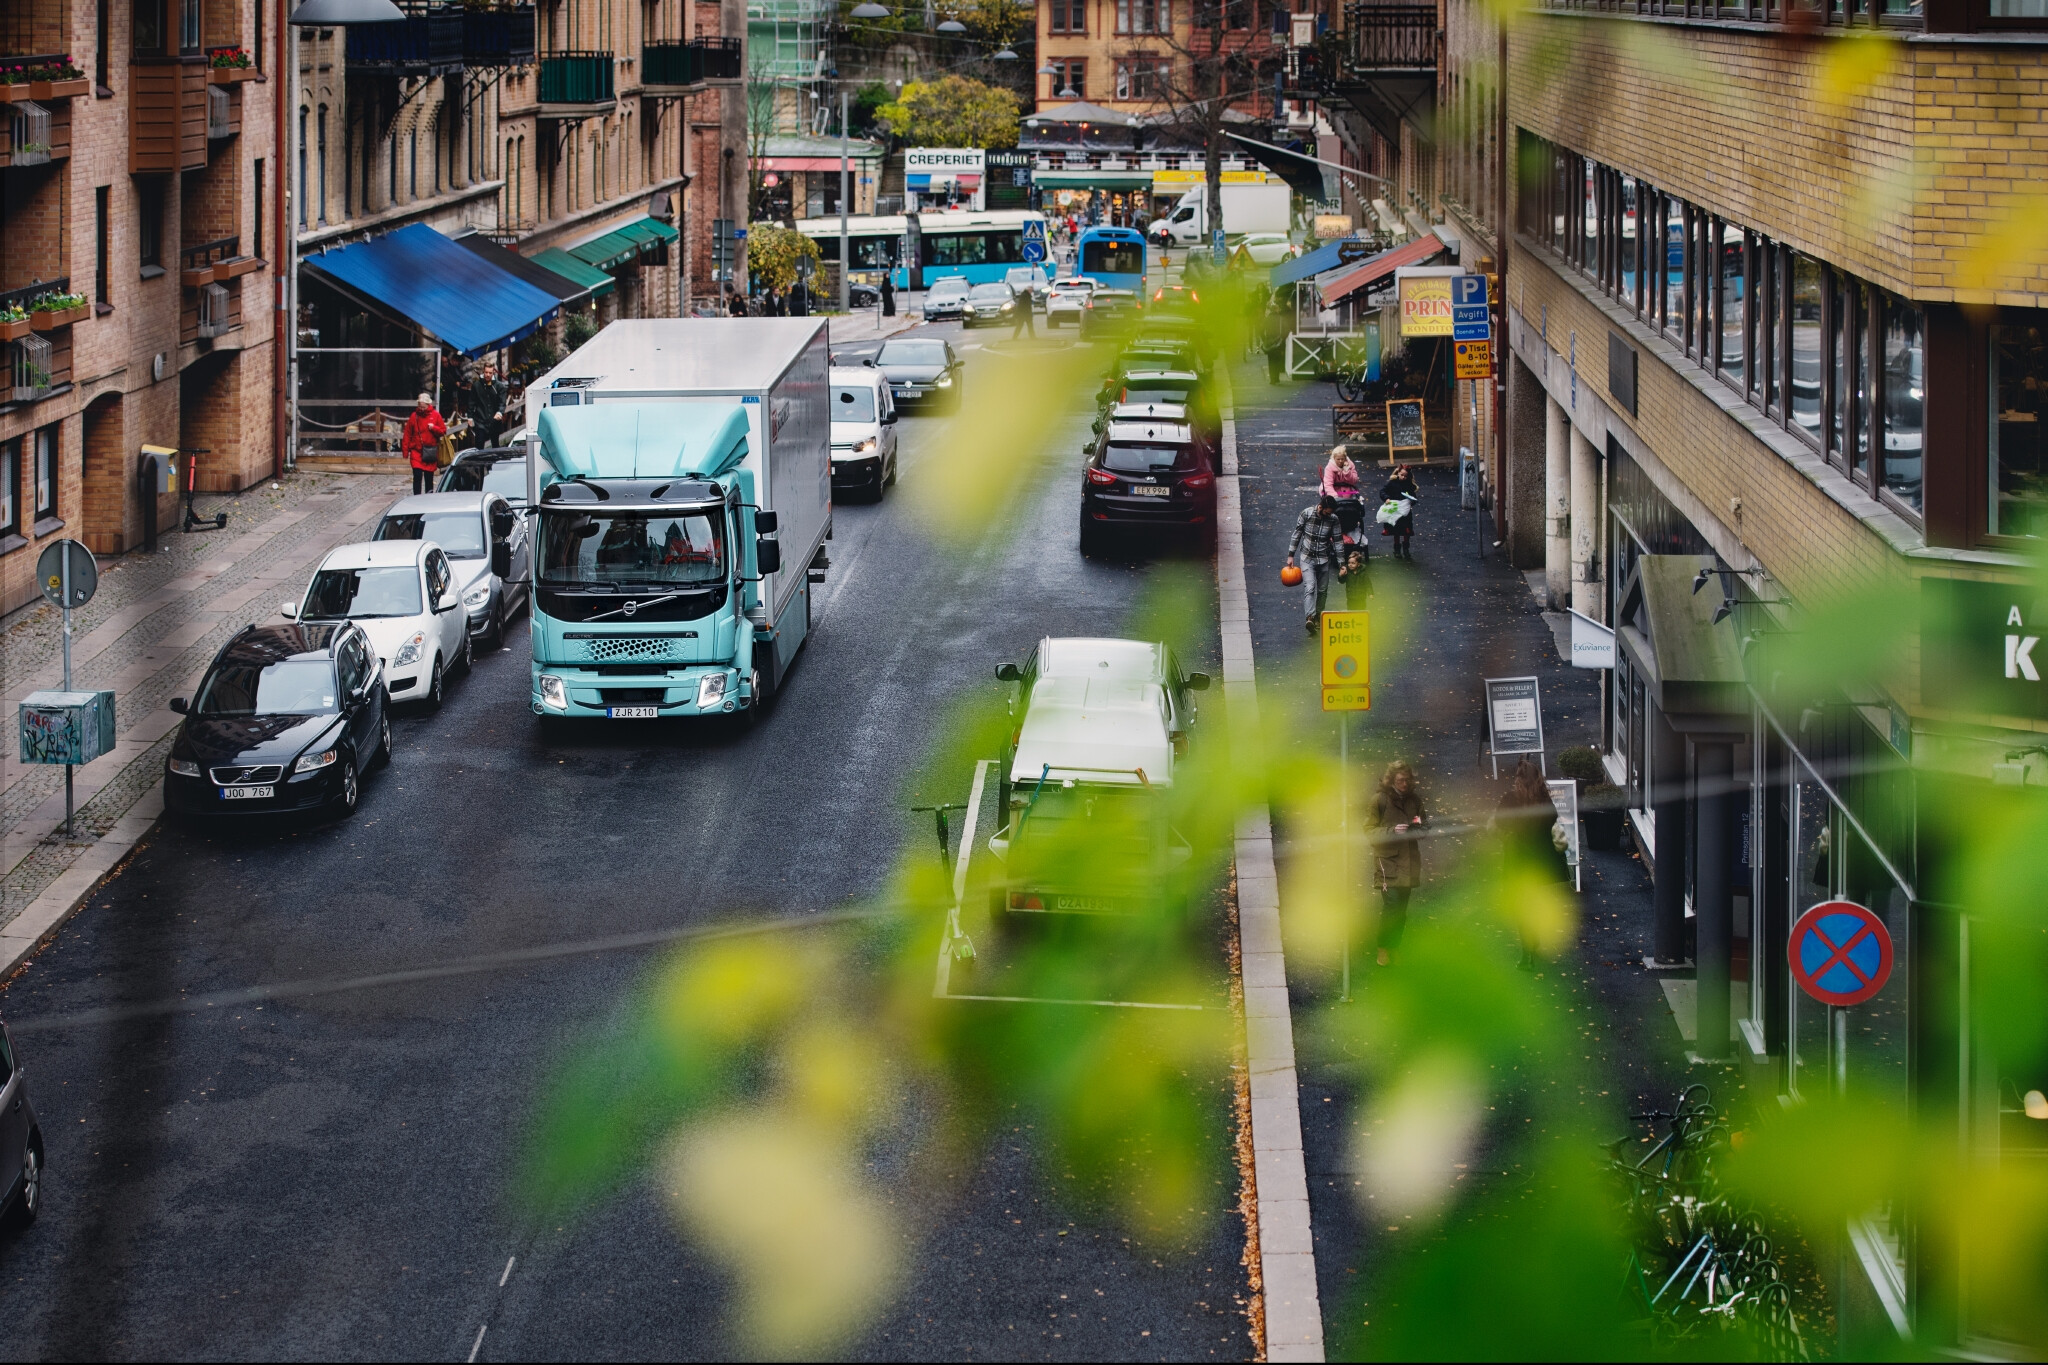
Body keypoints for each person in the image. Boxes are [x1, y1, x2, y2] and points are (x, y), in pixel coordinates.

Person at [1493, 759, 1569, 968]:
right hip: (1541, 859)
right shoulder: (1544, 800)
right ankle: (1532, 938)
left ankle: (1527, 952)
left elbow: (1500, 822)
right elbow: (1552, 819)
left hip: (1518, 858)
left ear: (1518, 779)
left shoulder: (1510, 799)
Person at [1365, 760, 1427, 966]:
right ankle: (1383, 948)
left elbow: (1424, 826)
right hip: (1387, 865)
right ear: (1391, 780)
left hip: (1408, 865)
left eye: (1408, 780)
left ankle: (1395, 947)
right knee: (1391, 908)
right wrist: (1392, 831)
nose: (1405, 784)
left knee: (1401, 911)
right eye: (1401, 781)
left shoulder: (1414, 801)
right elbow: (1369, 831)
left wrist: (1416, 830)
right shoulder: (1379, 801)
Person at [1286, 494, 1345, 633]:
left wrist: (1342, 563)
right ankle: (1310, 617)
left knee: (1323, 591)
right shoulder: (1306, 514)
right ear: (1321, 507)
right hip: (1307, 558)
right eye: (1327, 512)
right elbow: (1297, 534)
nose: (1328, 515)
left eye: (1330, 513)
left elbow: (1338, 541)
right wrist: (1291, 555)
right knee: (1310, 587)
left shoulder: (1333, 519)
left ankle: (1319, 615)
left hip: (1324, 559)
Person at [400, 392, 447, 496]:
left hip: (429, 451)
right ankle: (417, 497)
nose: (421, 409)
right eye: (419, 406)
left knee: (429, 477)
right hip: (416, 451)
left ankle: (428, 497)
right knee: (417, 475)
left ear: (428, 405)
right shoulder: (414, 416)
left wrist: (434, 428)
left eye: (423, 407)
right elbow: (407, 434)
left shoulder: (435, 415)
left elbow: (443, 431)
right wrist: (405, 450)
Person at [1322, 444, 1365, 541]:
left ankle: (1349, 528)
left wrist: (1347, 471)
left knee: (1350, 507)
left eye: (1342, 459)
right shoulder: (1329, 468)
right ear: (1334, 458)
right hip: (1335, 490)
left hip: (1348, 490)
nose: (1340, 461)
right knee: (1336, 508)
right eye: (1338, 459)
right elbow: (1328, 484)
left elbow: (1354, 480)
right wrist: (1334, 497)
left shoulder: (1350, 465)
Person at [1379, 463, 1419, 559]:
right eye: (1401, 475)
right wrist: (1386, 498)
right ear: (1398, 473)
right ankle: (1397, 549)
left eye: (1405, 476)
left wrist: (1411, 501)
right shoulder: (1392, 482)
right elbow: (1383, 491)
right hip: (1395, 509)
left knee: (1406, 530)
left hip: (1405, 511)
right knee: (1396, 530)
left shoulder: (1409, 484)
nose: (1403, 477)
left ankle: (1406, 548)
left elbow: (1413, 497)